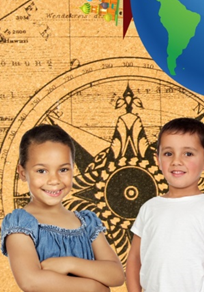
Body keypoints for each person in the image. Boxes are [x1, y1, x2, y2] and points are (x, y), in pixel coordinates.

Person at [1, 125, 124, 292]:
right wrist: (93, 287)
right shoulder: (21, 224)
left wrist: (69, 263)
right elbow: (31, 281)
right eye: (42, 171)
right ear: (22, 173)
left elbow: (116, 274)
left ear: (74, 169)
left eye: (63, 169)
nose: (54, 180)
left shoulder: (86, 222)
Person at [126, 118, 204, 292]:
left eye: (188, 154)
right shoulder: (149, 208)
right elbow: (133, 259)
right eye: (168, 153)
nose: (177, 161)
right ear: (158, 160)